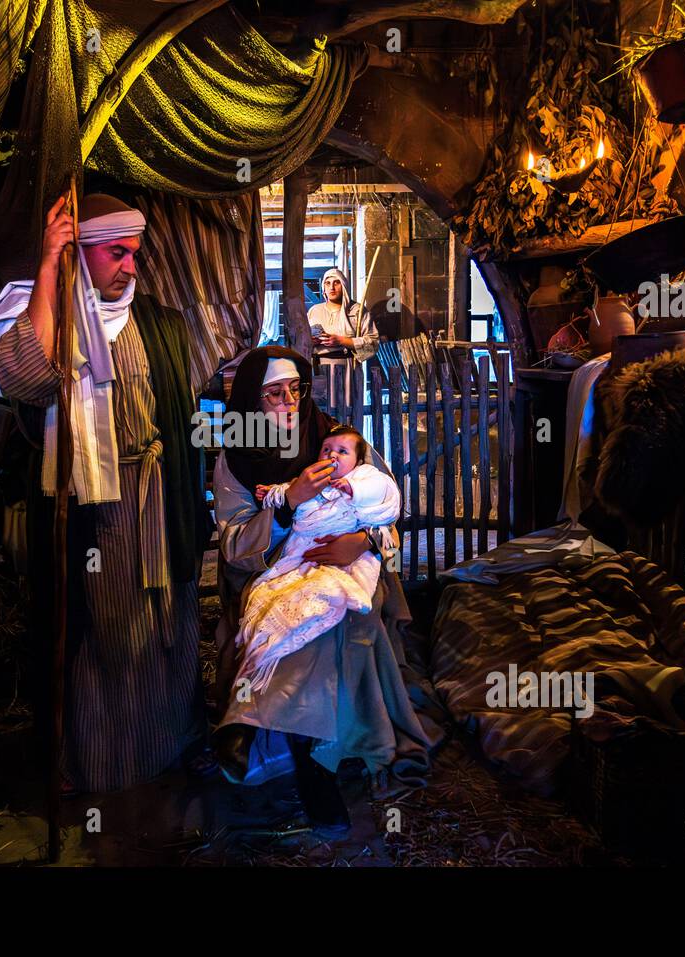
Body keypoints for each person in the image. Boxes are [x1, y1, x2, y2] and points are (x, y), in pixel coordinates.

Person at [0, 193, 212, 793]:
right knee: (106, 630)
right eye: (116, 253)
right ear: (80, 253)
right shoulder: (43, 316)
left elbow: (179, 420)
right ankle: (108, 766)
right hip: (95, 506)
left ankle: (167, 745)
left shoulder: (158, 322)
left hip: (158, 497)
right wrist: (49, 266)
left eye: (134, 253)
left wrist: (193, 503)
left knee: (168, 622)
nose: (131, 266)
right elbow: (28, 380)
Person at [211, 346, 433, 834]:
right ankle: (315, 764)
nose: (289, 400)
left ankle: (255, 723)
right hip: (274, 571)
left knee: (343, 609)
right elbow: (234, 545)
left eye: (296, 389)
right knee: (302, 619)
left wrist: (362, 541)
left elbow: (387, 507)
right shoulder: (237, 458)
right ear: (252, 399)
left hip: (352, 564)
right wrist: (288, 503)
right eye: (274, 392)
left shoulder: (338, 438)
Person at [238, 425, 401, 694]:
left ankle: (350, 702)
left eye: (341, 452)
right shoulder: (243, 458)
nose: (332, 455)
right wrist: (281, 495)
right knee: (275, 600)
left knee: (351, 615)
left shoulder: (363, 475)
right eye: (326, 450)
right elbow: (280, 497)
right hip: (297, 555)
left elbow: (386, 507)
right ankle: (273, 697)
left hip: (352, 556)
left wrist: (362, 541)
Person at [307, 267, 378, 407]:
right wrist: (311, 342)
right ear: (323, 288)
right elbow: (301, 340)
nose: (332, 287)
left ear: (344, 286)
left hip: (346, 368)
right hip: (318, 367)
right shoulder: (315, 311)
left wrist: (341, 340)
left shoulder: (357, 311)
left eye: (336, 282)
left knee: (345, 410)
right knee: (321, 412)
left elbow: (373, 343)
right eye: (327, 283)